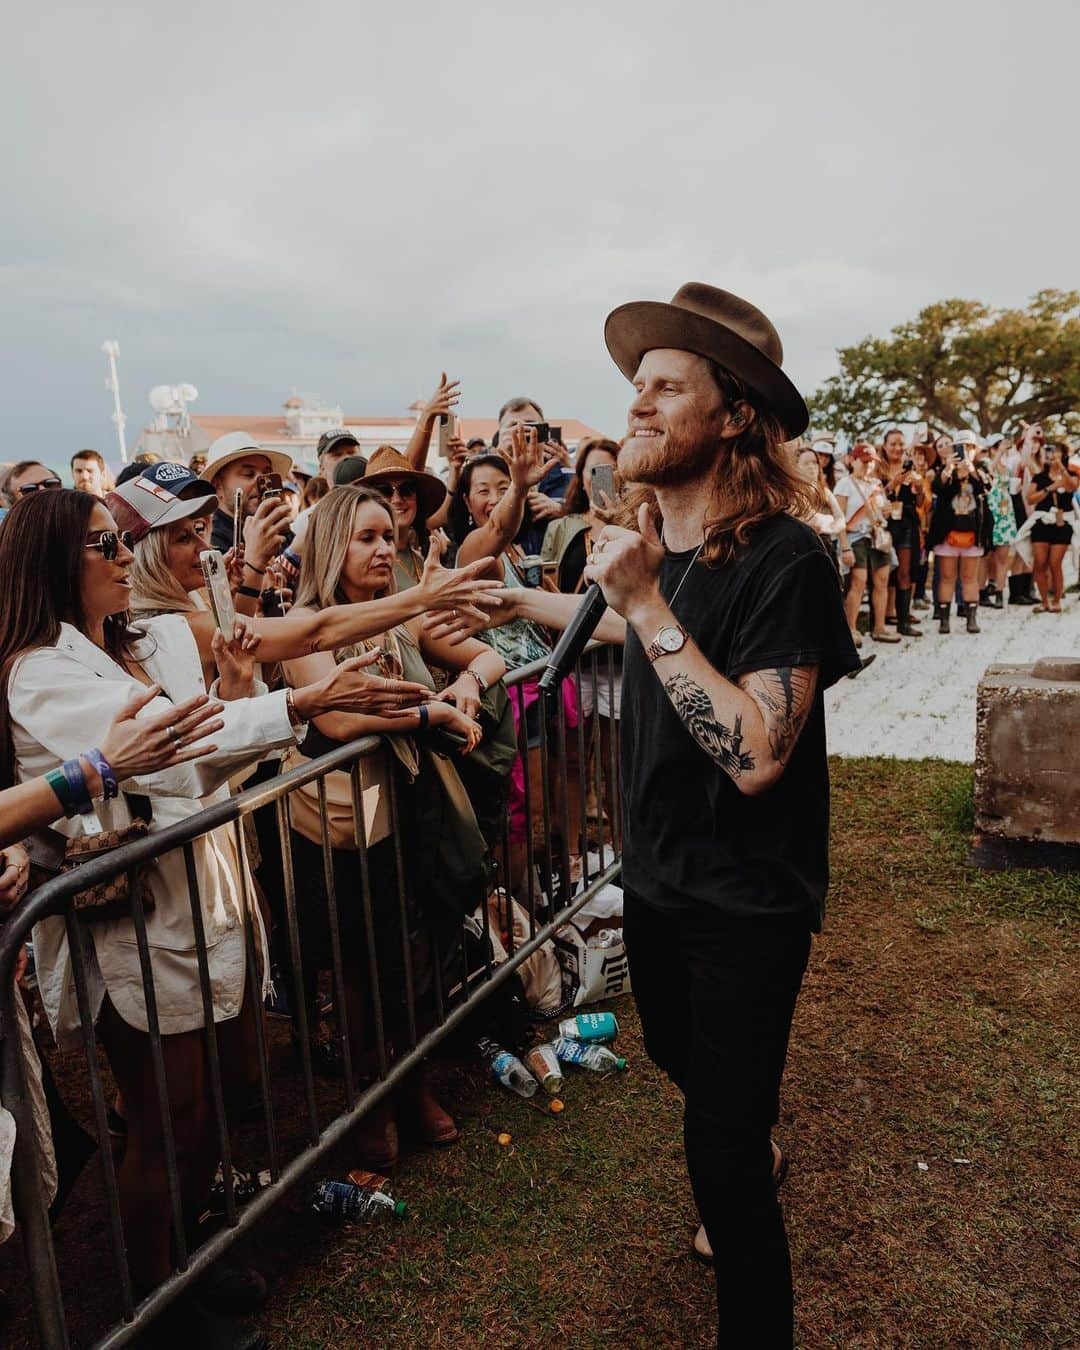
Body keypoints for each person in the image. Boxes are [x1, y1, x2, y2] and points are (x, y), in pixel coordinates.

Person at [0, 489, 436, 1345]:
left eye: (124, 542)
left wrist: (258, 681)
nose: (124, 556)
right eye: (103, 544)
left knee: (212, 1105)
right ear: (55, 561)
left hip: (204, 884)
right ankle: (153, 1296)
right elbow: (184, 745)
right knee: (166, 1115)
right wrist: (301, 705)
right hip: (129, 915)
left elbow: (236, 696)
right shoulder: (38, 671)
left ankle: (188, 1246)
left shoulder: (140, 637)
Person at [583, 282, 858, 1345]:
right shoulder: (673, 552)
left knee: (723, 1157)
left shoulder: (789, 555)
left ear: (735, 413)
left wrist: (642, 603)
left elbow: (753, 752)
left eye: (666, 386)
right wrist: (523, 604)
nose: (637, 405)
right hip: (657, 875)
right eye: (636, 385)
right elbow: (655, 639)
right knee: (676, 1059)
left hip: (745, 898)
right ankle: (742, 1123)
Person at [282, 485, 505, 1166]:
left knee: (410, 958)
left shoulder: (397, 617)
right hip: (337, 824)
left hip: (406, 812)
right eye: (366, 538)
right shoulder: (306, 621)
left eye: (388, 537)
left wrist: (468, 684)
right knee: (355, 968)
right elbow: (336, 721)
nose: (384, 550)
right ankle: (369, 1098)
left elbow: (489, 654)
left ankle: (414, 1086)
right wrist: (426, 716)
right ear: (330, 546)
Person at [928, 435, 992, 633]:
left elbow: (986, 488)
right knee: (947, 577)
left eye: (969, 447)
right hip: (947, 534)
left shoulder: (980, 470)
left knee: (969, 578)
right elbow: (937, 489)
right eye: (960, 447)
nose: (965, 451)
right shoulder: (945, 470)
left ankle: (971, 618)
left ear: (974, 449)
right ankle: (944, 620)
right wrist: (949, 469)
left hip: (973, 534)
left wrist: (971, 470)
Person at [834, 446, 898, 645]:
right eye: (864, 461)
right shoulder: (844, 484)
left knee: (882, 580)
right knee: (858, 582)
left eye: (871, 461)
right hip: (855, 537)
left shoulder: (877, 483)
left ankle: (879, 628)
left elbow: (880, 511)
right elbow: (839, 519)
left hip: (876, 535)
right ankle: (851, 630)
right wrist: (844, 546)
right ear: (853, 461)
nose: (868, 465)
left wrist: (886, 512)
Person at [540, 437, 621, 593]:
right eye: (593, 470)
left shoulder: (634, 526)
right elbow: (545, 584)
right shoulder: (559, 528)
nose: (601, 477)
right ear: (581, 478)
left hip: (617, 616)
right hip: (568, 614)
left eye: (609, 469)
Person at [362, 445, 448, 591]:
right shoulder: (367, 559)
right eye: (384, 491)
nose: (397, 500)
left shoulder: (420, 560)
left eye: (406, 490)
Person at [200, 431, 294, 564]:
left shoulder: (277, 528)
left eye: (267, 474)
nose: (262, 482)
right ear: (218, 486)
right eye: (249, 474)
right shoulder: (210, 539)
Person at [879, 428, 928, 636]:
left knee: (905, 571)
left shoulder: (911, 469)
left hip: (907, 524)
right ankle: (879, 621)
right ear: (885, 446)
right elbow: (874, 495)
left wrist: (919, 487)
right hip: (884, 524)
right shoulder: (877, 468)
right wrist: (893, 483)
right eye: (893, 444)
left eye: (901, 444)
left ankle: (903, 621)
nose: (898, 448)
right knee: (882, 572)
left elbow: (920, 502)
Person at [1024, 442, 1077, 613]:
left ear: (1063, 455)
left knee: (1055, 562)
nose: (1052, 455)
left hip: (1062, 522)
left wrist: (1061, 468)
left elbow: (1071, 487)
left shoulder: (1071, 473)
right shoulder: (1039, 477)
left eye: (1056, 452)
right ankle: (1044, 601)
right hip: (1042, 522)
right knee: (1040, 562)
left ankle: (1057, 600)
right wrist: (1050, 488)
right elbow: (1030, 498)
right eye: (1049, 452)